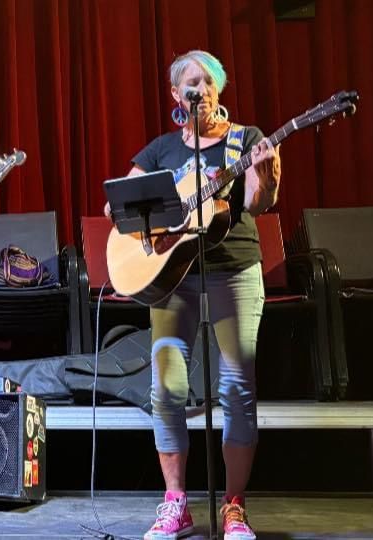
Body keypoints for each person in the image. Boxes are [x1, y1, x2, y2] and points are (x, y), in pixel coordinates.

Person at [104, 51, 281, 540]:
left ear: (218, 88)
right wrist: (150, 214)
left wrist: (266, 177)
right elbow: (118, 204)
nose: (199, 89)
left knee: (237, 387)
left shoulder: (246, 139)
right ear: (176, 95)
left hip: (234, 270)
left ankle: (234, 507)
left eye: (207, 81)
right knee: (166, 388)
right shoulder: (161, 150)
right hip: (172, 276)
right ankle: (175, 504)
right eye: (190, 83)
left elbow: (257, 203)